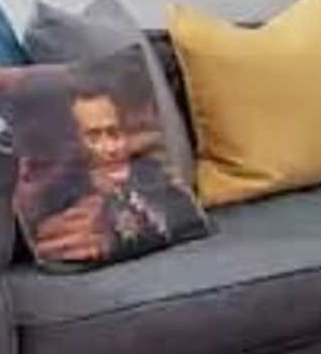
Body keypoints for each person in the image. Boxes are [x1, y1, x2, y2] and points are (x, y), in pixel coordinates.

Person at [30, 83, 203, 265]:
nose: (111, 149)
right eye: (94, 137)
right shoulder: (61, 201)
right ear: (70, 143)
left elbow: (184, 216)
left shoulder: (156, 176)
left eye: (114, 133)